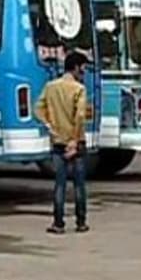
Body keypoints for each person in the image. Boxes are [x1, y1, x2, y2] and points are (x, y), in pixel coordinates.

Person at [35, 51, 90, 233]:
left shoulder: (50, 87)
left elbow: (37, 108)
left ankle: (58, 223)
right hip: (77, 143)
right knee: (79, 185)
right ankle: (81, 222)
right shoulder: (79, 89)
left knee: (60, 184)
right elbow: (80, 116)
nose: (84, 72)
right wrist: (74, 141)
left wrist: (49, 125)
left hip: (58, 142)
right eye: (82, 68)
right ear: (75, 67)